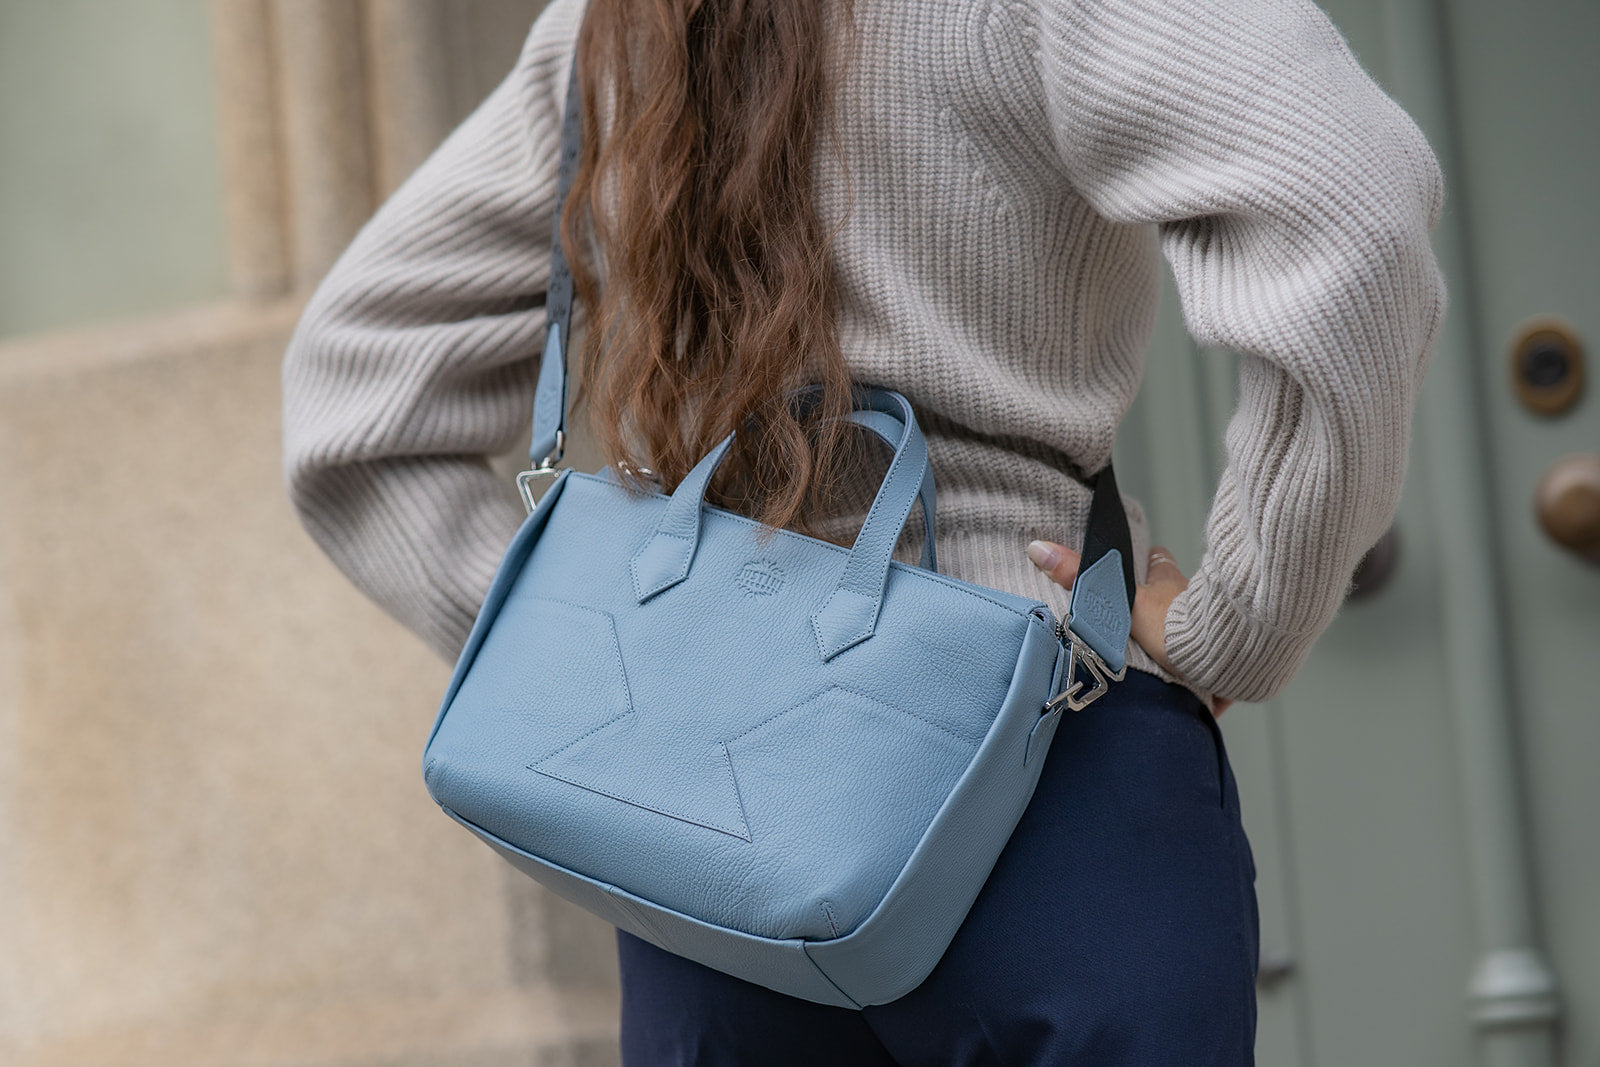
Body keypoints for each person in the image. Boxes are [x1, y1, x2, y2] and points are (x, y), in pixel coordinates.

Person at [281, 0, 1446, 1061]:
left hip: (707, 849)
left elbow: (354, 392)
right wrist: (1234, 625)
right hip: (1048, 758)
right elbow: (1349, 210)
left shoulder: (617, 23)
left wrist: (600, 660)